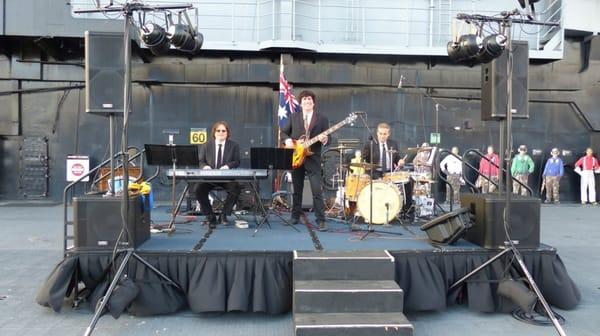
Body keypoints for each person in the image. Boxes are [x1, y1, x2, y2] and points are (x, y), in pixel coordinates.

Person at [281, 90, 329, 231]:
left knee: (316, 190)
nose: (307, 102)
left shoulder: (321, 118)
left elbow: (329, 137)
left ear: (313, 103)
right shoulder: (294, 117)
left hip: (313, 158)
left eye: (310, 100)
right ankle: (295, 216)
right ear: (301, 103)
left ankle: (321, 220)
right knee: (297, 188)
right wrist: (288, 140)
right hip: (297, 157)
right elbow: (283, 132)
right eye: (304, 100)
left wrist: (325, 139)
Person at [195, 121, 241, 229]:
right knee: (198, 189)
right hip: (209, 178)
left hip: (226, 178)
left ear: (227, 133)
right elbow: (201, 161)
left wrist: (227, 166)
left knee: (236, 188)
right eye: (218, 130)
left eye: (223, 131)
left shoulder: (234, 145)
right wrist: (206, 167)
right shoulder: (206, 145)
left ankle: (224, 215)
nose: (221, 132)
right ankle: (210, 215)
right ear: (214, 132)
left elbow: (237, 161)